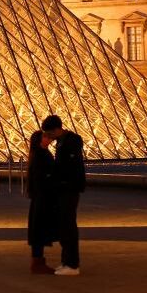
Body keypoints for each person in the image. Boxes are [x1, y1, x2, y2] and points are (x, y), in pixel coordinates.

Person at [42, 115, 84, 276]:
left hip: (69, 189)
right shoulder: (62, 141)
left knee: (68, 226)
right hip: (64, 188)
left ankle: (72, 265)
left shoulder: (71, 142)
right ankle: (66, 261)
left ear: (57, 129)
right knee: (64, 225)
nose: (48, 137)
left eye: (49, 133)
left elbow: (70, 168)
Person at [25, 129, 57, 274]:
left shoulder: (40, 153)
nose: (48, 138)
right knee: (39, 230)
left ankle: (38, 261)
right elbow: (41, 178)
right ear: (39, 140)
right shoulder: (40, 155)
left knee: (40, 230)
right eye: (45, 136)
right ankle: (37, 263)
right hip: (42, 198)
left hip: (41, 197)